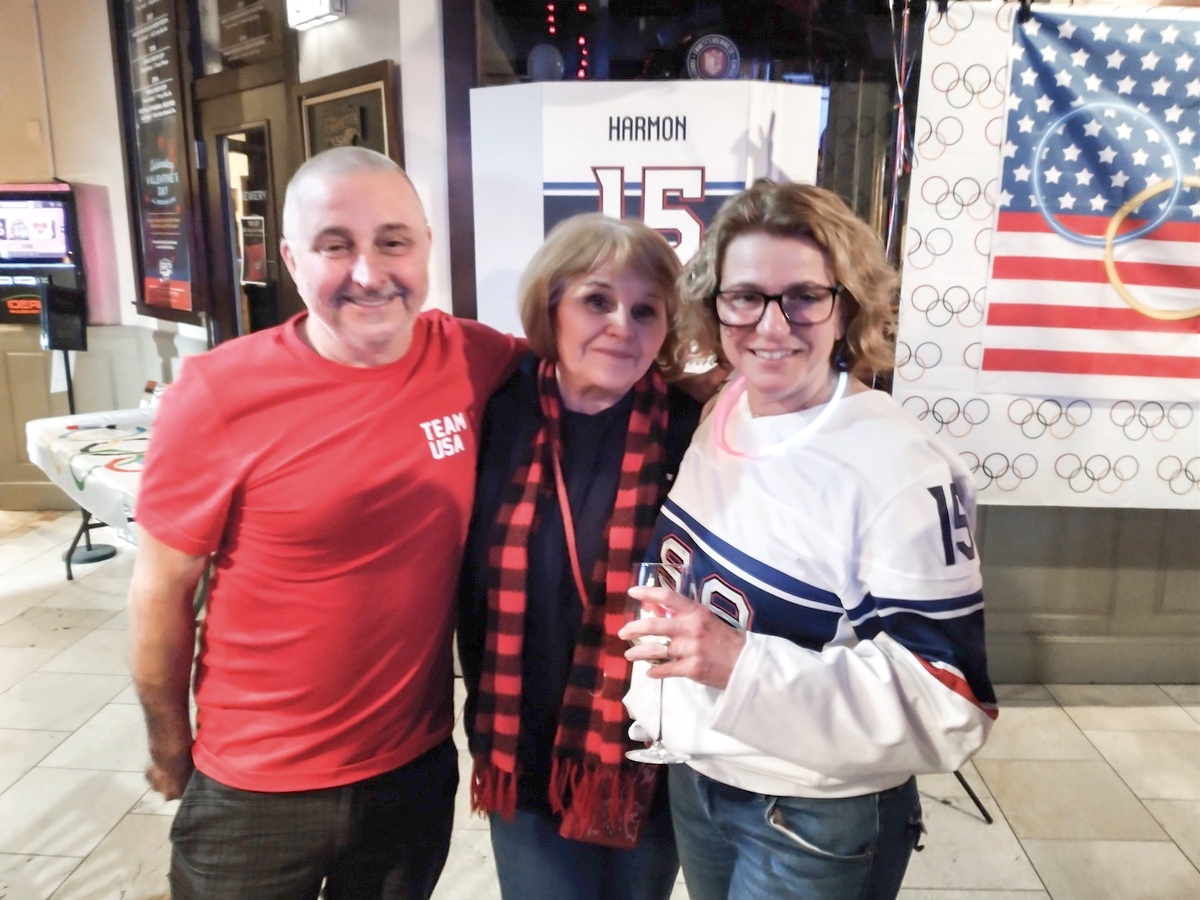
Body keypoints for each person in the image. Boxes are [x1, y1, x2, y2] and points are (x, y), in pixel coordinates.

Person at [127, 146, 523, 899]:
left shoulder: (472, 357)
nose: (369, 272)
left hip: (412, 774)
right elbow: (159, 594)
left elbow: (593, 362)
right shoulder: (218, 392)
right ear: (289, 258)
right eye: (335, 245)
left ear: (427, 246)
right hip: (254, 789)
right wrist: (170, 746)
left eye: (393, 242)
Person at [619, 180, 996, 900]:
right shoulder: (726, 407)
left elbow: (953, 702)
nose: (770, 324)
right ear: (713, 303)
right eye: (745, 296)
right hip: (700, 785)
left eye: (803, 296)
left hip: (809, 817)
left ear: (845, 304)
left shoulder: (896, 466)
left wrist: (737, 661)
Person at [457, 214, 701, 900]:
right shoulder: (493, 412)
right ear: (551, 305)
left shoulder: (696, 430)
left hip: (649, 760)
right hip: (521, 745)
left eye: (646, 309)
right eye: (597, 300)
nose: (622, 323)